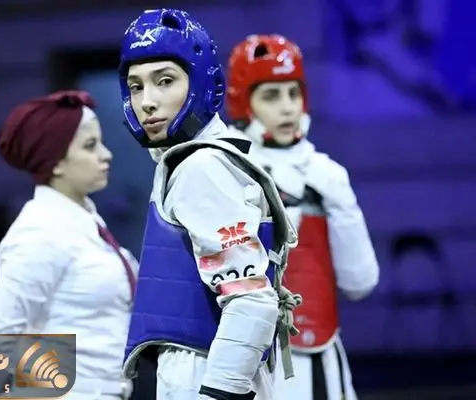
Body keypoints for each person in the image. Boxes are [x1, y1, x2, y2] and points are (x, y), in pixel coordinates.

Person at [118, 9, 302, 400]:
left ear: (201, 82)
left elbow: (251, 300)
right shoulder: (197, 160)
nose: (147, 101)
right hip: (205, 367)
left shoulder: (201, 167)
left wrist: (219, 393)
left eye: (165, 81)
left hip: (204, 372)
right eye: (136, 86)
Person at [226, 34, 380, 400]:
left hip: (318, 356)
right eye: (271, 96)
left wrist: (340, 203)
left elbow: (360, 282)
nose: (287, 108)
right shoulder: (225, 167)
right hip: (242, 358)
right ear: (244, 102)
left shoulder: (326, 175)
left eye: (293, 93)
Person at [0, 90, 137, 400]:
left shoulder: (85, 219)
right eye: (90, 146)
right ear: (56, 161)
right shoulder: (40, 231)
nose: (106, 155)